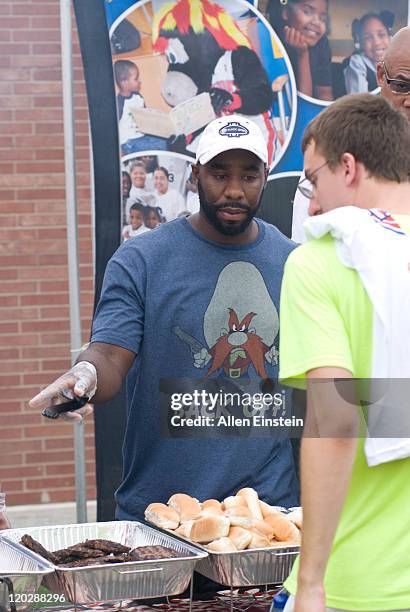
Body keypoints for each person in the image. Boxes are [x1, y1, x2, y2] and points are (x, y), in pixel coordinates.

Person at [29, 114, 299, 525]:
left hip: (264, 518)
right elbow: (109, 354)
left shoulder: (294, 263)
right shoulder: (143, 260)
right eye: (219, 174)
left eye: (248, 176)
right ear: (194, 175)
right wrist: (86, 375)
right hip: (162, 517)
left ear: (265, 176)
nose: (233, 190)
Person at [280, 94, 410, 611]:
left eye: (313, 180)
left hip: (353, 586)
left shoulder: (319, 262)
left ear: (349, 168)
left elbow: (334, 422)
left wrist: (311, 583)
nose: (310, 204)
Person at [291, 26, 410, 243]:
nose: (409, 101)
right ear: (381, 76)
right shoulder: (330, 155)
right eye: (402, 86)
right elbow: (305, 252)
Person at [268, 0, 333, 101]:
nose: (317, 22)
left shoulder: (322, 44)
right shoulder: (268, 41)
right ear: (286, 13)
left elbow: (324, 94)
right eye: (307, 12)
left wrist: (303, 53)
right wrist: (302, 54)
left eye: (323, 19)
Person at [114, 60, 167, 156]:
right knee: (158, 146)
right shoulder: (119, 104)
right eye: (136, 78)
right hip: (128, 142)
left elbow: (144, 116)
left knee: (163, 141)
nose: (139, 81)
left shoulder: (138, 97)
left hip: (142, 136)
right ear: (124, 83)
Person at [344, 11, 393, 94]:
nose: (377, 42)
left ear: (390, 37)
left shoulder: (394, 60)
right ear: (361, 43)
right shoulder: (357, 63)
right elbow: (359, 101)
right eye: (368, 38)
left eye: (381, 35)